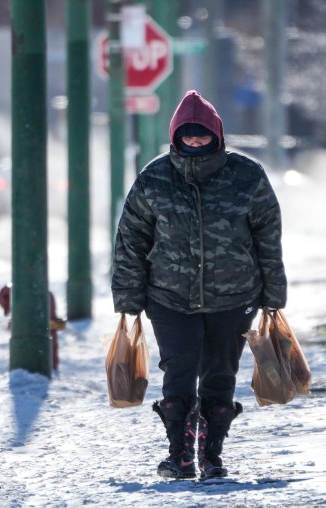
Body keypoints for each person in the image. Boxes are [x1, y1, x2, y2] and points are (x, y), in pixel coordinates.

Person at [111, 90, 287, 480]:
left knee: (221, 375)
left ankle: (211, 454)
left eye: (202, 134)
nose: (194, 140)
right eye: (187, 134)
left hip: (235, 296)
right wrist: (127, 294)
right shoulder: (154, 179)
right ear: (175, 135)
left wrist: (274, 292)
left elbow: (267, 237)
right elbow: (131, 239)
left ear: (217, 135)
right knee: (178, 371)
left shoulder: (247, 176)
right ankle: (179, 455)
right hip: (169, 298)